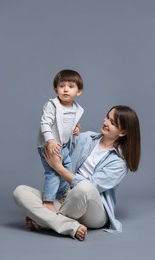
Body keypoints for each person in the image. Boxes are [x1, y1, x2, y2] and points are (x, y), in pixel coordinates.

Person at [13, 105, 141, 241]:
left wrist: (59, 168)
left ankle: (42, 222)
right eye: (107, 117)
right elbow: (64, 149)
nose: (105, 122)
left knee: (84, 187)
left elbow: (92, 185)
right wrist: (68, 133)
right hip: (64, 197)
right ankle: (70, 226)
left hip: (92, 211)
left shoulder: (119, 162)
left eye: (112, 122)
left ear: (122, 132)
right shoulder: (87, 137)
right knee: (20, 192)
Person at [37, 69, 84, 212]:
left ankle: (61, 196)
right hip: (50, 144)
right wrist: (50, 141)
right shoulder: (52, 105)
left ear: (79, 91)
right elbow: (45, 123)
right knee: (53, 173)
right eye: (62, 86)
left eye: (71, 86)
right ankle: (48, 201)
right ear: (55, 90)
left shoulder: (77, 109)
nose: (65, 90)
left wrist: (75, 129)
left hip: (63, 146)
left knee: (67, 171)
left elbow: (67, 124)